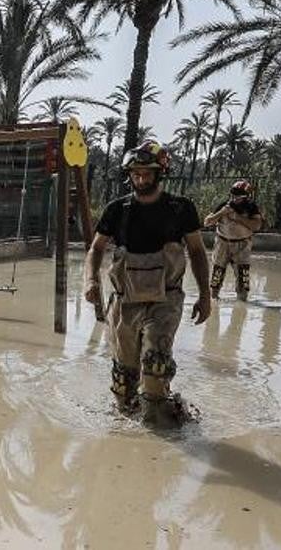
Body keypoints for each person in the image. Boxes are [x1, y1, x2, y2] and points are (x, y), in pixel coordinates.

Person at [83, 140, 212, 427]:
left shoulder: (181, 209)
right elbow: (97, 248)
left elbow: (197, 251)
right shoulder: (117, 210)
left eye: (147, 173)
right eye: (135, 173)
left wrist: (206, 295)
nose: (140, 179)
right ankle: (127, 432)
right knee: (124, 384)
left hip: (164, 301)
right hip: (124, 303)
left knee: (154, 370)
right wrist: (91, 280)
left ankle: (163, 421)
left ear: (160, 173)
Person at [203, 180, 263, 301]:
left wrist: (237, 217)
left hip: (242, 245)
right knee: (217, 274)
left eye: (238, 196)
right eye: (233, 195)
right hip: (222, 243)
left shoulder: (251, 207)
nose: (235, 198)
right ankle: (214, 301)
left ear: (246, 197)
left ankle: (241, 304)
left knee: (243, 277)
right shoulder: (224, 205)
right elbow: (207, 222)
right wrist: (221, 213)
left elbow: (256, 226)